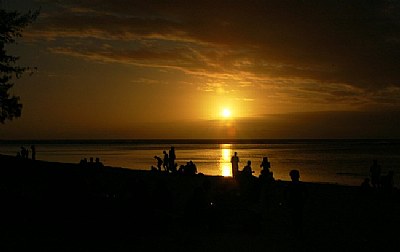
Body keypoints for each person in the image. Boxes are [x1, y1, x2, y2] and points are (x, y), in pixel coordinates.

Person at [284, 169, 308, 235]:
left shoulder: (290, 185)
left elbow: (285, 194)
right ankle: (298, 230)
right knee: (298, 217)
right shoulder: (300, 185)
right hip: (298, 203)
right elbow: (306, 194)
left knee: (295, 217)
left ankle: (297, 230)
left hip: (296, 203)